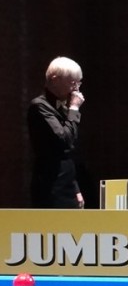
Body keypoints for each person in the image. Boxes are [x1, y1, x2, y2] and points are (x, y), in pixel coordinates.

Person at [27, 56, 85, 208]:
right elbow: (64, 140)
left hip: (67, 182)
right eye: (72, 82)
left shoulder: (62, 107)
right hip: (51, 185)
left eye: (79, 83)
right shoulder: (40, 106)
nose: (76, 88)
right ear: (55, 79)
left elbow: (68, 152)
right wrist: (74, 109)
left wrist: (76, 188)